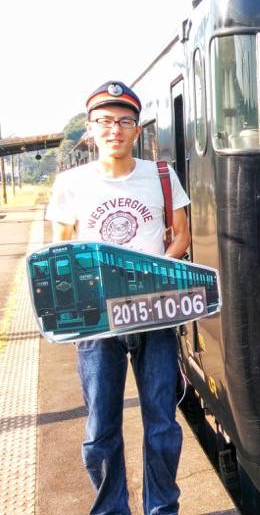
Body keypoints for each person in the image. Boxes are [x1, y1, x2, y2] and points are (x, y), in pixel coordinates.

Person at [46, 80, 191, 515]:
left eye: (124, 121)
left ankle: (162, 508)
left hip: (154, 313)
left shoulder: (161, 175)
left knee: (163, 425)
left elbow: (181, 236)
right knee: (99, 432)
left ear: (136, 128)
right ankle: (111, 510)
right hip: (97, 322)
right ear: (90, 130)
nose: (115, 129)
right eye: (105, 121)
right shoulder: (71, 183)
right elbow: (63, 251)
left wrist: (149, 278)